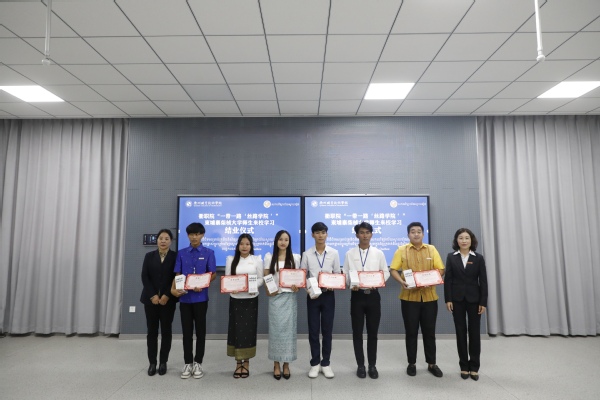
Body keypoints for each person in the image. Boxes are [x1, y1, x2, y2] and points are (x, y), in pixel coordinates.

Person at [390, 222, 445, 378]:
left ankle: (432, 363)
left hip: (429, 297)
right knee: (411, 332)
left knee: (429, 332)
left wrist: (432, 278)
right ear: (408, 234)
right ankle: (412, 363)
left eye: (419, 231)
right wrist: (401, 282)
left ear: (423, 234)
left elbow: (441, 269)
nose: (416, 234)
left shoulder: (431, 249)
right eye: (413, 231)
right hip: (409, 298)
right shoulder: (401, 250)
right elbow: (393, 269)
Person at [170, 222, 217, 379]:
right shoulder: (181, 253)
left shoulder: (209, 253)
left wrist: (203, 284)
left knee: (201, 332)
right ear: (188, 235)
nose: (194, 237)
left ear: (202, 235)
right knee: (187, 332)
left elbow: (213, 274)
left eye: (197, 234)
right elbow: (178, 274)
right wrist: (177, 288)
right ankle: (187, 363)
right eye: (191, 234)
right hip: (185, 298)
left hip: (201, 298)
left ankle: (198, 362)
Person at [344, 222, 389, 379]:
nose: (365, 235)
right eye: (362, 232)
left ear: (371, 234)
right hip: (357, 296)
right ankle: (360, 365)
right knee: (357, 332)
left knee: (373, 332)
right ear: (357, 235)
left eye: (367, 232)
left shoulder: (378, 253)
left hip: (373, 296)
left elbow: (385, 272)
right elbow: (346, 273)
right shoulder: (349, 253)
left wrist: (378, 282)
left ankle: (372, 365)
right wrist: (351, 283)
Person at [444, 228, 488, 381]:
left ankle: (474, 367)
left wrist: (483, 302)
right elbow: (448, 280)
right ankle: (464, 366)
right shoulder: (451, 257)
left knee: (474, 333)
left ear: (471, 240)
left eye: (467, 238)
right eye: (461, 238)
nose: (464, 241)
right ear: (456, 240)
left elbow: (483, 281)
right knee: (460, 332)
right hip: (457, 300)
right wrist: (448, 299)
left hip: (474, 300)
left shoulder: (478, 258)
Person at [300, 222, 341, 379]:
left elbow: (337, 274)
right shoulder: (307, 254)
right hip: (313, 296)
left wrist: (333, 284)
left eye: (323, 232)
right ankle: (315, 363)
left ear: (327, 234)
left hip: (328, 295)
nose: (320, 235)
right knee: (313, 330)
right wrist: (309, 289)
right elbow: (303, 275)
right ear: (312, 235)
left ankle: (326, 363)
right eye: (317, 232)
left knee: (327, 330)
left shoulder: (334, 253)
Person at [263, 230, 301, 380]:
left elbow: (298, 279)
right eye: (280, 239)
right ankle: (276, 364)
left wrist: (297, 287)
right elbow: (267, 277)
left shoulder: (295, 258)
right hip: (275, 298)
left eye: (286, 239)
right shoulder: (269, 257)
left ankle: (286, 364)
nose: (283, 242)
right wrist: (269, 290)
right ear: (276, 241)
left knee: (289, 333)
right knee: (276, 332)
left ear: (289, 242)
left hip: (290, 298)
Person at [225, 234, 264, 379]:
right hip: (236, 299)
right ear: (238, 245)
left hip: (251, 299)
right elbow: (228, 279)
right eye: (242, 244)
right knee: (236, 330)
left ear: (251, 246)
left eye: (247, 244)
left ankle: (246, 363)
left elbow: (261, 279)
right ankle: (238, 363)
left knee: (248, 331)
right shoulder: (231, 260)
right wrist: (231, 287)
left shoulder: (256, 260)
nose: (244, 247)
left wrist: (251, 286)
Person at [140, 229, 177, 376]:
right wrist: (152, 295)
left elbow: (176, 277)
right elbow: (145, 277)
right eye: (161, 238)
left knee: (166, 332)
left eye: (166, 238)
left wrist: (167, 295)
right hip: (151, 301)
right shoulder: (149, 256)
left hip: (168, 301)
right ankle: (152, 363)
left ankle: (163, 362)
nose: (163, 241)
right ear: (157, 240)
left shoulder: (175, 257)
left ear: (171, 241)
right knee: (152, 332)